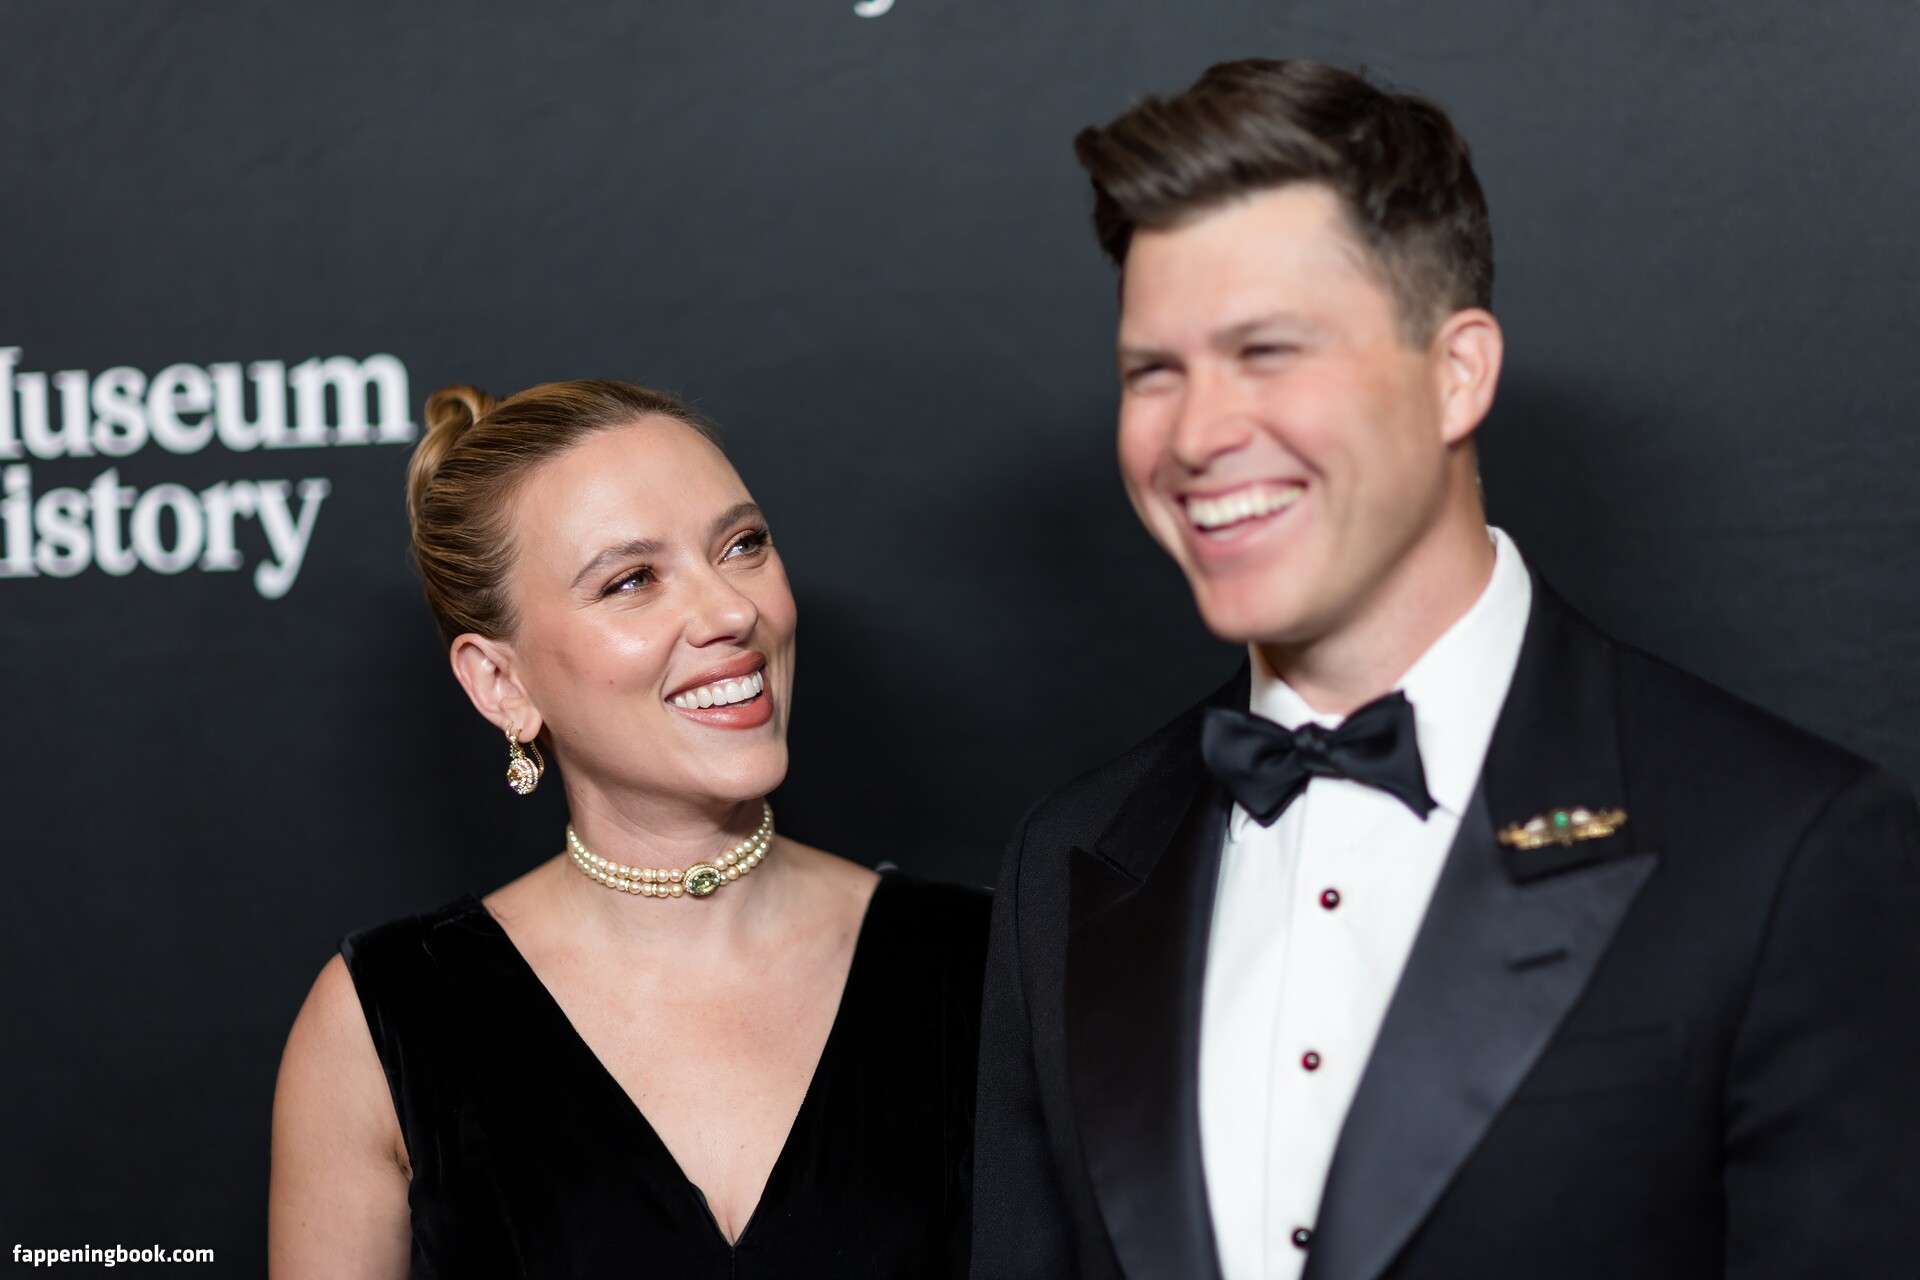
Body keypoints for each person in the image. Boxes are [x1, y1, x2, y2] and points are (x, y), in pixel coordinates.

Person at [971, 59, 1920, 1280]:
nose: (1196, 434)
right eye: (1154, 370)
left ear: (1456, 373)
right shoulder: (1067, 861)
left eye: (1269, 350)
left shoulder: (1787, 849)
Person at [269, 380, 988, 1279]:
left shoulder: (990, 964)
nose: (732, 611)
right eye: (632, 580)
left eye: (742, 545)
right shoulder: (382, 1023)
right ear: (502, 684)